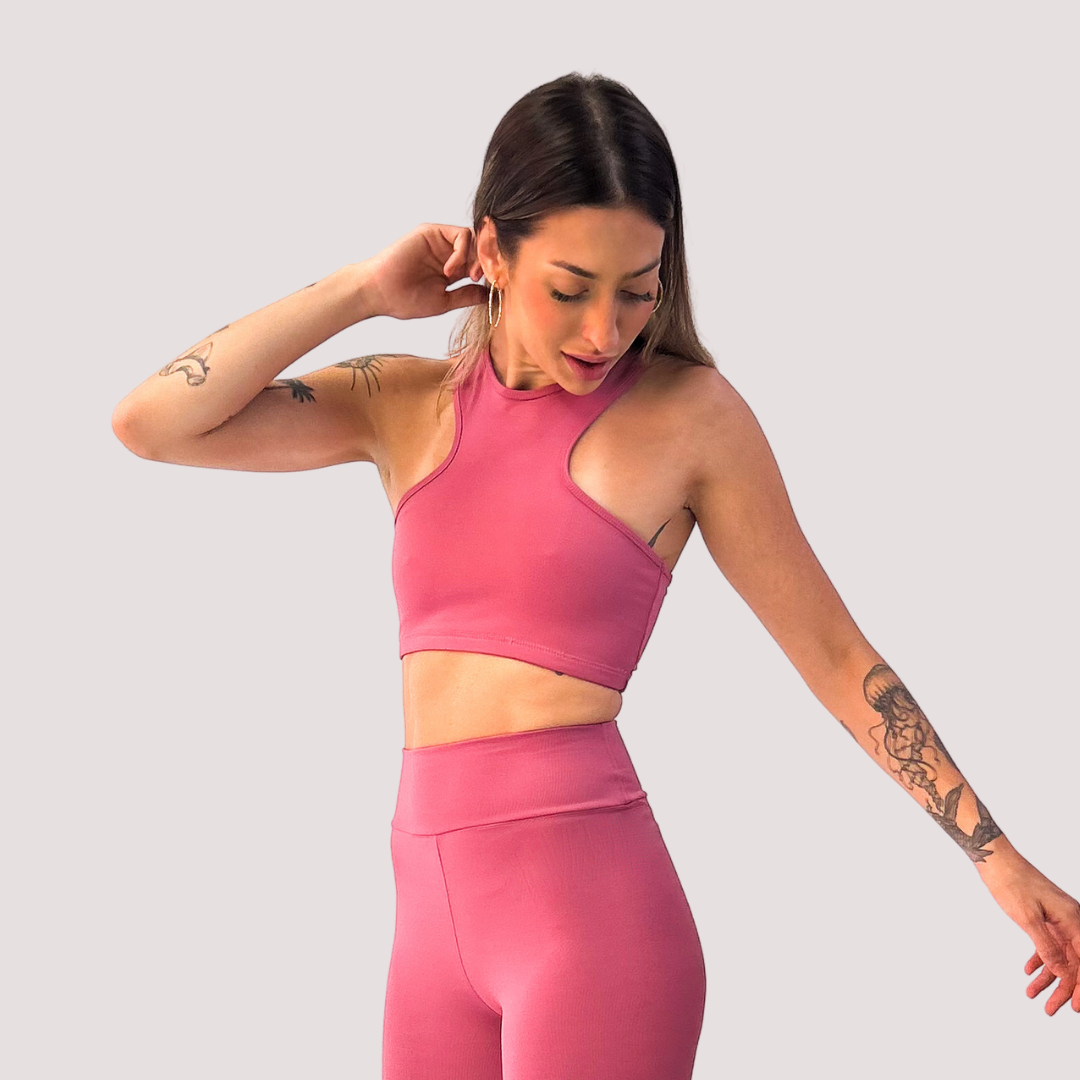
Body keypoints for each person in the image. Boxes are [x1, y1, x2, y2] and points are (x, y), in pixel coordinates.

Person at [112, 71, 1079, 1077]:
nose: (603, 332)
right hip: (427, 933)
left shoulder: (692, 418)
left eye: (638, 290)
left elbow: (838, 658)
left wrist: (1000, 863)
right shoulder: (404, 403)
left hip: (592, 926)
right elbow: (152, 423)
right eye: (570, 289)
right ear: (492, 251)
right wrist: (363, 291)